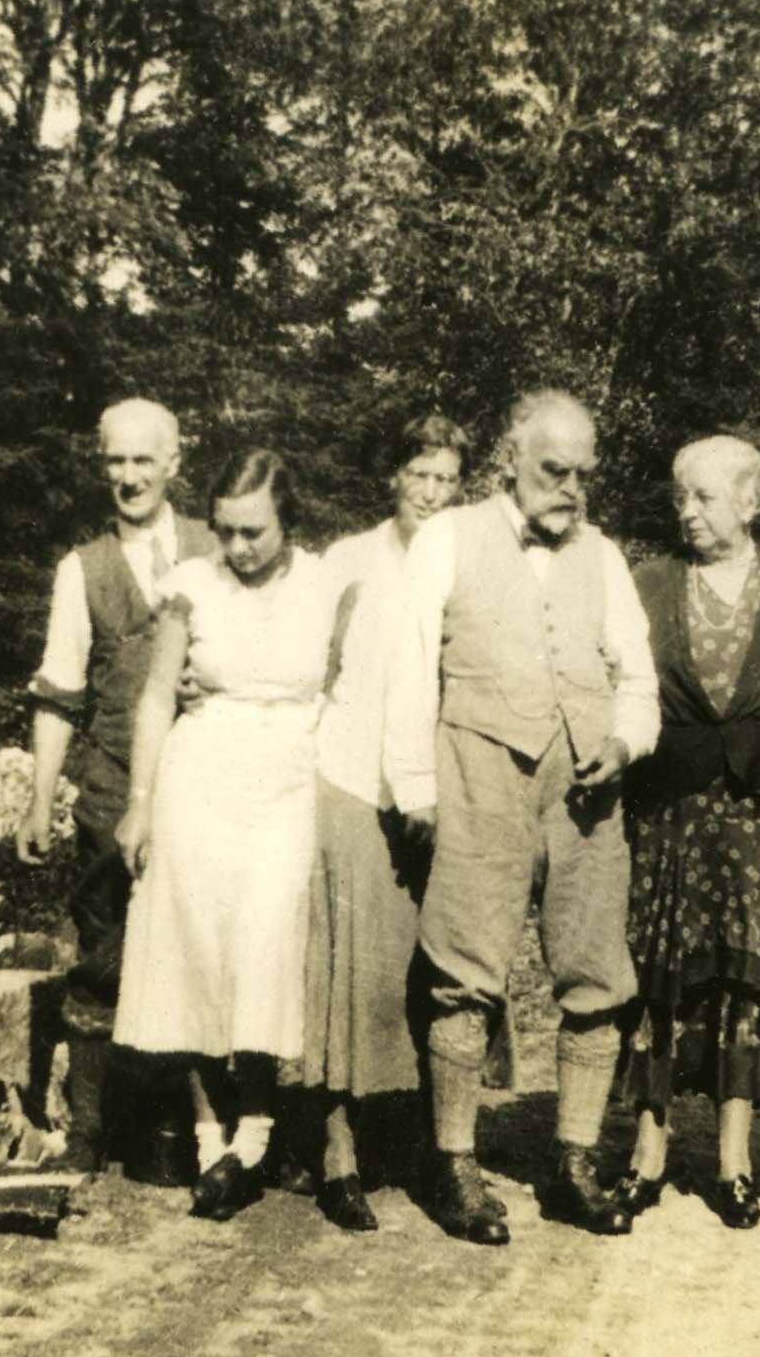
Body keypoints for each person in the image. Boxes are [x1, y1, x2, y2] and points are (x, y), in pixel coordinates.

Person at [386, 389, 660, 1244]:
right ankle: (453, 1162)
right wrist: (414, 785)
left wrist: (624, 743)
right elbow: (408, 667)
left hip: (583, 793)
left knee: (594, 970)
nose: (570, 488)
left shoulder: (603, 557)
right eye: (553, 470)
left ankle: (574, 1162)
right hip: (478, 774)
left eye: (582, 474)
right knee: (464, 965)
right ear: (509, 460)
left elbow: (639, 679)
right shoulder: (447, 537)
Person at [111, 450, 343, 1222]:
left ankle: (258, 1131)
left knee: (265, 946)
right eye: (225, 531)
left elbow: (351, 682)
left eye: (254, 532)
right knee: (199, 951)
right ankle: (213, 1141)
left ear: (288, 521)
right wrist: (140, 802)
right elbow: (155, 697)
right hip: (199, 779)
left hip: (286, 784)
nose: (237, 547)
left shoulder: (325, 583)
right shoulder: (191, 586)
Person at [614, 436, 760, 1230]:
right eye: (680, 497)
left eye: (703, 496)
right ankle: (647, 1155)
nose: (687, 512)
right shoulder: (648, 583)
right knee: (660, 982)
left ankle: (735, 1164)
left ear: (751, 501)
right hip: (670, 814)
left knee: (743, 987)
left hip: (756, 818)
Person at [21, 399, 219, 1175]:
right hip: (111, 786)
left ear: (174, 462)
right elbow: (59, 691)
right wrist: (41, 796)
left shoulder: (217, 547)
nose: (129, 476)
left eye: (144, 460)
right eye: (115, 461)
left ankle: (206, 1128)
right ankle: (89, 1128)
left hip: (208, 784)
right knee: (103, 950)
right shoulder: (83, 569)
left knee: (208, 950)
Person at [296, 412, 471, 1231]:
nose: (431, 493)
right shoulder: (348, 561)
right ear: (394, 478)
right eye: (419, 475)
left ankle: (431, 1148)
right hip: (349, 776)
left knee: (428, 968)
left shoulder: (465, 559)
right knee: (346, 972)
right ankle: (337, 1156)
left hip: (439, 787)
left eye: (447, 480)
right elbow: (310, 669)